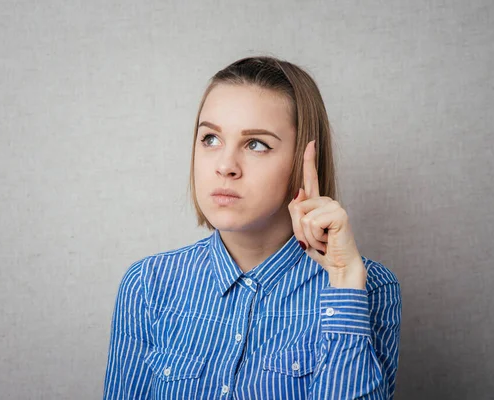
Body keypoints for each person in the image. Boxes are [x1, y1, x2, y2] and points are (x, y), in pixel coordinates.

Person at [103, 56, 402, 399]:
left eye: (256, 144)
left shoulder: (371, 288)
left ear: (304, 163)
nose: (225, 165)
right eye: (211, 139)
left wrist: (346, 284)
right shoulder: (147, 284)